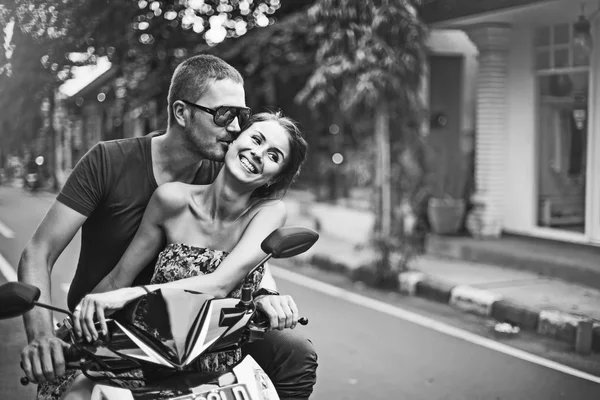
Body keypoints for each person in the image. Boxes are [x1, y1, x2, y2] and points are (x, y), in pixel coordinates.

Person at [18, 54, 317, 400]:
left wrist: (266, 295)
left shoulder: (229, 174)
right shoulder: (119, 167)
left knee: (296, 352)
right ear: (181, 112)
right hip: (122, 326)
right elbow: (42, 252)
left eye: (242, 117)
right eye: (224, 115)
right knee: (74, 392)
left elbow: (244, 260)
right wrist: (49, 336)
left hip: (205, 336)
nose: (236, 128)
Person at [67, 111, 308, 393]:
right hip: (150, 351)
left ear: (273, 178)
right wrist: (79, 319)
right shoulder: (171, 199)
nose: (258, 153)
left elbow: (219, 284)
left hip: (217, 372)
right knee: (77, 392)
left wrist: (126, 296)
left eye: (273, 155)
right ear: (234, 140)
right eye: (256, 139)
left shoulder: (268, 213)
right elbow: (119, 278)